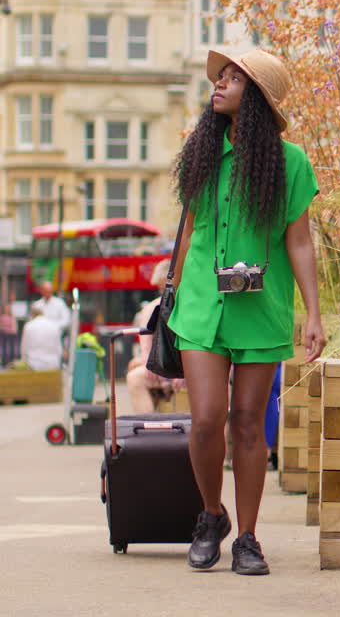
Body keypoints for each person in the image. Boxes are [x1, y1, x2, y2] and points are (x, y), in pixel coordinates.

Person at [167, 48, 325, 576]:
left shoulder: (290, 162)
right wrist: (168, 287)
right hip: (199, 304)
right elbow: (188, 231)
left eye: (234, 79)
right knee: (207, 418)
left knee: (248, 423)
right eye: (220, 76)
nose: (220, 84)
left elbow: (299, 243)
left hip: (261, 306)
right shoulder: (201, 151)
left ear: (255, 97)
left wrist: (315, 314)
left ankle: (250, 538)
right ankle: (212, 515)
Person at [126, 259, 184, 413]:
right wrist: (150, 365)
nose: (163, 292)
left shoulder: (188, 305)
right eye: (160, 288)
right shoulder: (151, 307)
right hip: (164, 364)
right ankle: (148, 428)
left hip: (190, 365)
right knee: (134, 377)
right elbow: (146, 347)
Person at [19, 307, 62, 371]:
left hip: (34, 363)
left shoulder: (29, 326)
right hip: (52, 363)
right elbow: (59, 348)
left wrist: (24, 361)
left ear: (32, 315)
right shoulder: (54, 326)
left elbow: (24, 347)